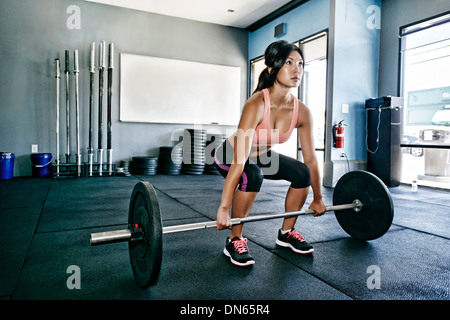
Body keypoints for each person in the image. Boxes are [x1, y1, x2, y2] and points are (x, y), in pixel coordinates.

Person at [214, 40, 326, 267]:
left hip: (260, 156)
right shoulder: (256, 104)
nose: (297, 69)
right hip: (231, 155)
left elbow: (311, 159)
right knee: (252, 174)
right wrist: (224, 208)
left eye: (301, 64)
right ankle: (234, 239)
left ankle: (287, 233)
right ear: (272, 69)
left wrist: (318, 197)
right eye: (289, 62)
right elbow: (239, 162)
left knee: (302, 172)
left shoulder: (302, 111)